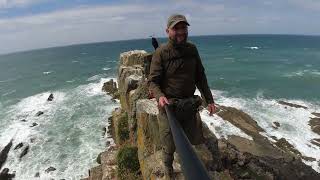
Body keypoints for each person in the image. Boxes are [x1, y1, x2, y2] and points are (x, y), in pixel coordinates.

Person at [148, 14, 216, 179]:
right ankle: (168, 169)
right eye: (176, 28)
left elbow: (200, 76)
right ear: (168, 31)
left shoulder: (192, 49)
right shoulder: (161, 53)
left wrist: (209, 100)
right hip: (169, 107)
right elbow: (153, 81)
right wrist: (159, 96)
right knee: (169, 145)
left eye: (183, 28)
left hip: (188, 106)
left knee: (191, 140)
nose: (180, 32)